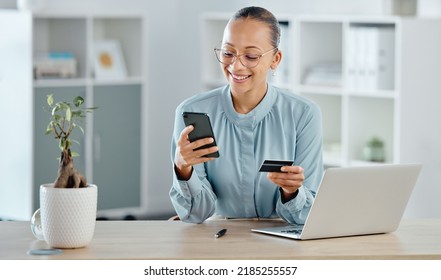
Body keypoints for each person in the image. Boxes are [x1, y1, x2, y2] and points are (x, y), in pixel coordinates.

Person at [170, 6, 323, 225]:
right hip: (216, 239)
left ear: (276, 59)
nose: (236, 65)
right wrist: (182, 169)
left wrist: (291, 192)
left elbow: (304, 216)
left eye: (251, 56)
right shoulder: (193, 112)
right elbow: (197, 214)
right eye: (227, 53)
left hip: (280, 240)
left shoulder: (303, 114)